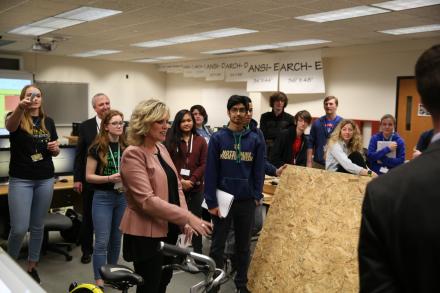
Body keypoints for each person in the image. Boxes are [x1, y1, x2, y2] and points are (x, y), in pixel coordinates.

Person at [358, 44, 440, 292]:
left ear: (423, 101)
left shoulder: (383, 193)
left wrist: (383, 159)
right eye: (382, 123)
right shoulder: (383, 187)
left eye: (388, 123)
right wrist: (383, 153)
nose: (385, 126)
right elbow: (372, 157)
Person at [119, 99, 211, 293]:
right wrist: (187, 216)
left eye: (167, 121)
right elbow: (147, 202)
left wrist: (183, 220)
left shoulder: (160, 148)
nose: (166, 126)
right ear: (144, 123)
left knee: (163, 281)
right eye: (160, 122)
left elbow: (176, 185)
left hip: (168, 229)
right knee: (149, 286)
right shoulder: (133, 154)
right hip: (145, 234)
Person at [205, 95, 265, 293]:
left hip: (246, 201)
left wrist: (257, 195)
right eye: (234, 110)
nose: (238, 114)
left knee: (243, 246)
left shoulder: (255, 139)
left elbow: (258, 171)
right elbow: (211, 171)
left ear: (247, 112)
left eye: (242, 110)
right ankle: (213, 283)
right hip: (222, 200)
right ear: (228, 112)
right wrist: (211, 200)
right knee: (217, 245)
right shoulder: (217, 138)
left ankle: (241, 284)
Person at [6, 84, 60, 283]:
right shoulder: (16, 117)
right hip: (21, 179)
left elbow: (55, 149)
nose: (34, 98)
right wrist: (20, 108)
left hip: (45, 178)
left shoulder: (49, 122)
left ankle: (31, 266)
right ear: (23, 98)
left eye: (37, 95)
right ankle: (8, 268)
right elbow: (10, 127)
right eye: (29, 95)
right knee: (19, 228)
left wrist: (55, 149)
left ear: (41, 99)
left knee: (37, 226)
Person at [85, 110, 127, 289]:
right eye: (115, 123)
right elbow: (89, 176)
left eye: (121, 123)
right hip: (103, 197)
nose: (119, 126)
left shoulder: (127, 146)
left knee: (117, 239)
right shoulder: (97, 148)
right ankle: (99, 279)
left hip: (122, 197)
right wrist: (109, 179)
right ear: (106, 126)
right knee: (102, 241)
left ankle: (112, 274)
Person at [74, 93, 110, 264]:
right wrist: (77, 178)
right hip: (90, 179)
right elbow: (80, 155)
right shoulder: (86, 126)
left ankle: (107, 249)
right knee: (88, 216)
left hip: (111, 180)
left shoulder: (116, 124)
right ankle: (87, 250)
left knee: (109, 218)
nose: (105, 106)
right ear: (95, 108)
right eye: (101, 104)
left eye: (107, 103)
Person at [165, 109, 208, 254]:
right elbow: (167, 162)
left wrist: (192, 179)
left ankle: (198, 253)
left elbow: (204, 163)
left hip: (196, 188)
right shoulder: (171, 141)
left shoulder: (200, 141)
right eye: (183, 121)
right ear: (178, 123)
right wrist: (180, 180)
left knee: (195, 220)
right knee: (180, 221)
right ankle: (181, 252)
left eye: (189, 120)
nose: (187, 123)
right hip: (177, 188)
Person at [307, 96, 343, 169]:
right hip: (318, 164)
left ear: (336, 106)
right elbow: (310, 144)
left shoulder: (342, 123)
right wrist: (309, 162)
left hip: (336, 165)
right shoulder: (317, 123)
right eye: (326, 104)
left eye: (331, 104)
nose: (328, 106)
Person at [259, 91, 295, 156]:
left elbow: (290, 137)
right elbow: (263, 134)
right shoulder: (264, 116)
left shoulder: (290, 118)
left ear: (284, 103)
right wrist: (281, 133)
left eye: (282, 101)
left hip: (282, 152)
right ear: (273, 102)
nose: (280, 103)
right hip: (267, 151)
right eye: (277, 100)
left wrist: (272, 133)